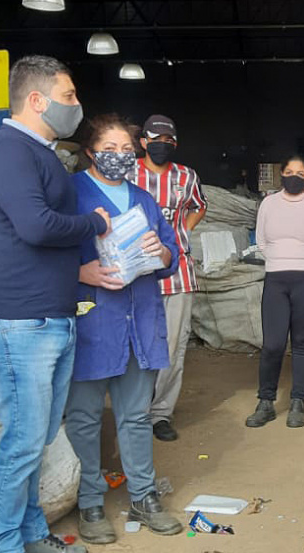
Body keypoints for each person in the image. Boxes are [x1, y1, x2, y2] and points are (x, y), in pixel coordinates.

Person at [0, 55, 110, 553]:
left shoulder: (41, 153)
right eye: (68, 96)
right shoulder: (7, 151)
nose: (76, 105)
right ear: (36, 99)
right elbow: (36, 226)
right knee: (23, 441)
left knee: (37, 439)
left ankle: (30, 535)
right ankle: (0, 544)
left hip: (49, 316)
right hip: (17, 321)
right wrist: (94, 223)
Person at [64, 114, 183, 543]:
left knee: (135, 415)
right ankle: (90, 500)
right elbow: (45, 249)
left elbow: (171, 252)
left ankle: (144, 495)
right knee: (84, 416)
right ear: (90, 152)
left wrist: (161, 251)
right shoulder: (70, 193)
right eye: (109, 149)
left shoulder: (142, 199)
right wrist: (80, 272)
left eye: (126, 149)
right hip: (93, 318)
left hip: (140, 318)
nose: (120, 156)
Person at [128, 114, 208, 441]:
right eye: (155, 139)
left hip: (178, 273)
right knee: (136, 343)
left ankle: (160, 413)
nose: (162, 145)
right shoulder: (128, 172)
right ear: (143, 142)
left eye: (168, 141)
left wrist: (180, 233)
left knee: (173, 346)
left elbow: (199, 205)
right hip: (136, 271)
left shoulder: (186, 176)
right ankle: (134, 410)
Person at [245, 155, 304, 428]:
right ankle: (265, 402)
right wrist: (280, 259)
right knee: (272, 344)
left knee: (302, 342)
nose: (293, 177)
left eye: (300, 173)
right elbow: (262, 240)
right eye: (289, 172)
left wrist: (303, 259)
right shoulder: (269, 203)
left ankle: (298, 402)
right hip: (276, 278)